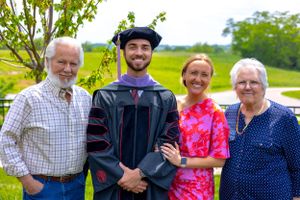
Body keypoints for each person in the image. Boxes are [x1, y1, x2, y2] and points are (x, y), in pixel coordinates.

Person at [86, 27, 180, 200]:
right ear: (123, 51)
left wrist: (141, 173)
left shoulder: (165, 97)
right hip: (114, 188)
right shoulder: (105, 97)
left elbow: (168, 142)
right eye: (132, 46)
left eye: (145, 47)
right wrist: (122, 176)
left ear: (152, 52)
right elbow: (97, 142)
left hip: (149, 187)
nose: (139, 52)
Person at [0, 36, 92, 200]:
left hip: (77, 186)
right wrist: (28, 182)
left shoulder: (85, 98)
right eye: (61, 62)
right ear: (47, 62)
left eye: (74, 63)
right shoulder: (28, 99)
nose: (67, 69)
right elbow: (6, 140)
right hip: (42, 189)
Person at [219, 58, 300, 200]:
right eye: (242, 82)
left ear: (263, 85)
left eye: (254, 82)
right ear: (235, 87)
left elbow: (297, 165)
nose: (247, 87)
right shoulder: (230, 113)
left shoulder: (284, 118)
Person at [160, 54, 230, 200]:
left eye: (204, 75)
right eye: (193, 73)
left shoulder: (214, 112)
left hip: (196, 189)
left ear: (210, 79)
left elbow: (219, 159)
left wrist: (181, 161)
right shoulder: (172, 105)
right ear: (184, 75)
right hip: (166, 182)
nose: (198, 79)